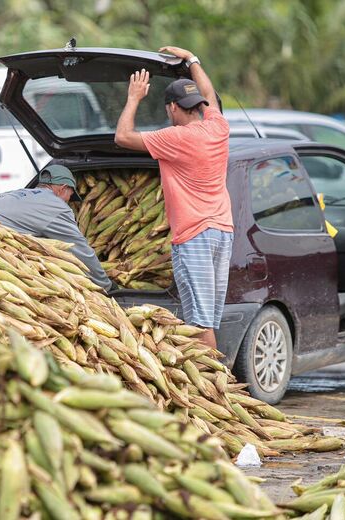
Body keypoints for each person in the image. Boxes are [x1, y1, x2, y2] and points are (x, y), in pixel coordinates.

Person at [113, 45, 232, 348]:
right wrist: (192, 59)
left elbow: (122, 137)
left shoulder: (176, 137)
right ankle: (213, 372)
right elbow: (210, 92)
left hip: (195, 235)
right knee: (208, 316)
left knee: (200, 322)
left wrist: (133, 98)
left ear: (172, 108)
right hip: (222, 231)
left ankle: (213, 377)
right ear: (199, 106)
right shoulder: (218, 127)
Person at [0, 165, 115, 292]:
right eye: (70, 196)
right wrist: (106, 285)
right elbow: (80, 250)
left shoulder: (19, 194)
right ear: (63, 188)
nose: (68, 202)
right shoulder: (55, 205)